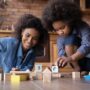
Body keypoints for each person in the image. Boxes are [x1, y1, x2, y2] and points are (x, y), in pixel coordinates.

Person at [42, 0, 90, 74]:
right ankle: (78, 69)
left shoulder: (83, 26)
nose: (60, 32)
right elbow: (63, 55)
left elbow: (87, 45)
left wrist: (70, 58)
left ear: (70, 21)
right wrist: (59, 63)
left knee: (69, 38)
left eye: (62, 27)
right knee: (67, 38)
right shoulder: (60, 38)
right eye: (56, 30)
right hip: (80, 64)